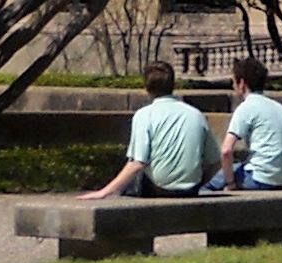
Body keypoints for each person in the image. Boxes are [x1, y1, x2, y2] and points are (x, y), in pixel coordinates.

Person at [78, 70, 208, 201]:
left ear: (146, 87)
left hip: (158, 189)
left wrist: (104, 192)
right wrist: (199, 181)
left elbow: (137, 163)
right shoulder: (196, 114)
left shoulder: (144, 115)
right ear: (173, 85)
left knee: (129, 174)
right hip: (190, 189)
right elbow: (215, 160)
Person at [199, 58, 282, 192]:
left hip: (259, 177)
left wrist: (231, 183)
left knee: (206, 183)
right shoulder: (280, 107)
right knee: (238, 166)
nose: (232, 86)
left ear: (242, 83)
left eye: (233, 81)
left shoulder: (247, 107)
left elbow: (226, 151)